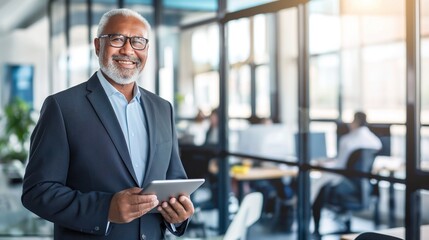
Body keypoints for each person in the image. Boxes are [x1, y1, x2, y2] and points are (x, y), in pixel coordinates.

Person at [21, 8, 194, 240]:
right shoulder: (62, 107)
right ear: (97, 45)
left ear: (147, 49)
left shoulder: (163, 108)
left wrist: (179, 215)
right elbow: (37, 191)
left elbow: (175, 180)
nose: (128, 49)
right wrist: (105, 208)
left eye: (138, 41)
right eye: (117, 39)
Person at [312, 111, 382, 237]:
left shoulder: (348, 140)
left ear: (355, 122)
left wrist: (323, 164)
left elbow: (340, 165)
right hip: (364, 186)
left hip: (346, 185)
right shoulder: (375, 140)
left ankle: (315, 228)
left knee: (319, 186)